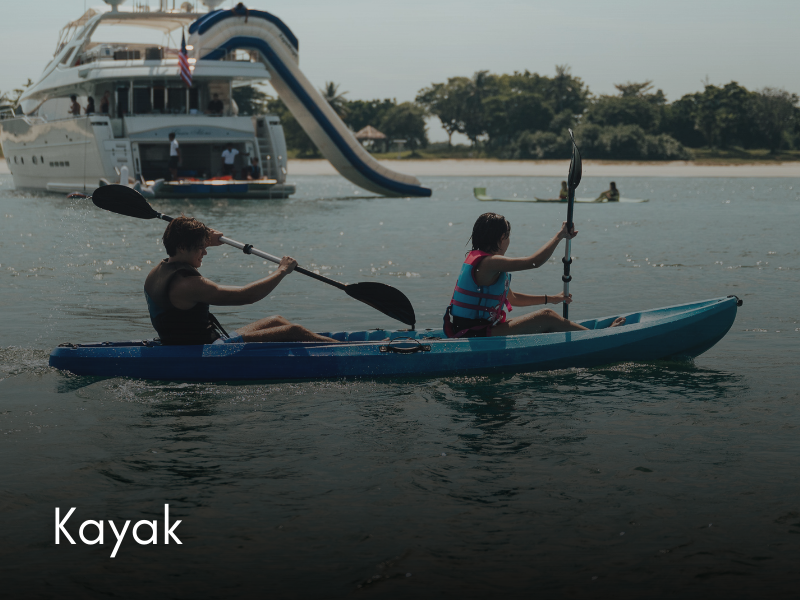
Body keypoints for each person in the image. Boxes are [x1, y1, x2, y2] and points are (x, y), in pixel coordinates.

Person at [144, 216, 337, 345]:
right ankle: (345, 351)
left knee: (276, 321)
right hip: (209, 350)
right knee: (294, 331)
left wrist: (205, 238)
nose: (205, 252)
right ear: (182, 247)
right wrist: (282, 270)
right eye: (201, 247)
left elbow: (186, 245)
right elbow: (247, 295)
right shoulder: (188, 285)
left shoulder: (158, 270)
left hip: (190, 342)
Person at [443, 213, 625, 338]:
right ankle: (600, 338)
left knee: (545, 317)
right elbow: (534, 262)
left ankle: (585, 335)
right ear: (502, 238)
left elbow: (513, 299)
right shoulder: (490, 262)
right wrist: (560, 236)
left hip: (476, 330)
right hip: (473, 334)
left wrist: (552, 298)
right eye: (508, 237)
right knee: (547, 317)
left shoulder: (482, 262)